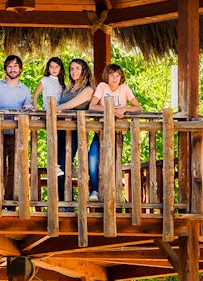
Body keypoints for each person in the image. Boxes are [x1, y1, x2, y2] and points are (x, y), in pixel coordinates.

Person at [87, 63, 142, 200]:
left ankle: (113, 193)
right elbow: (92, 106)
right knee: (92, 159)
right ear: (107, 76)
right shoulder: (102, 87)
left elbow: (138, 107)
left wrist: (124, 109)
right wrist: (109, 108)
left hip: (118, 133)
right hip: (101, 131)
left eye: (117, 75)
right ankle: (95, 190)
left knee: (114, 162)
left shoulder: (124, 89)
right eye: (112, 75)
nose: (115, 78)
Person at [0, 54, 32, 199]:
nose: (12, 69)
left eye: (15, 66)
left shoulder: (25, 89)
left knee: (13, 168)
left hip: (17, 134)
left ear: (20, 69)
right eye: (10, 66)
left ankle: (9, 200)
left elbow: (27, 108)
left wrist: (29, 109)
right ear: (5, 69)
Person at [53, 58, 94, 201]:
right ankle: (59, 201)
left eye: (77, 68)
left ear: (84, 71)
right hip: (59, 130)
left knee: (64, 164)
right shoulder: (68, 89)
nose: (73, 71)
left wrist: (51, 109)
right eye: (71, 68)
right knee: (55, 166)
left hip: (75, 131)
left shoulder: (88, 89)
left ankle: (66, 201)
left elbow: (70, 105)